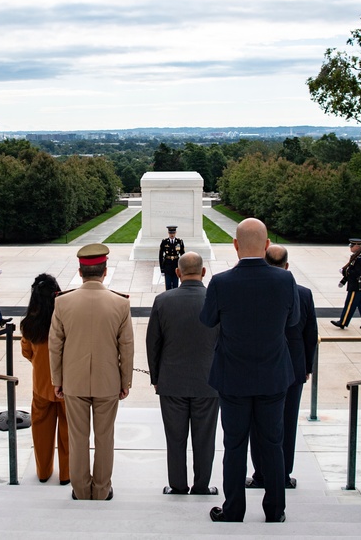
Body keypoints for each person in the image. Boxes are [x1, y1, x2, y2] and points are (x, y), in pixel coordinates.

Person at [199, 218, 299, 524]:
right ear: (267, 246)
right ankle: (275, 510)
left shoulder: (222, 282)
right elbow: (293, 321)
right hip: (272, 376)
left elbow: (207, 320)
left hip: (234, 377)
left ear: (235, 245)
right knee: (273, 444)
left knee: (235, 445)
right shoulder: (285, 281)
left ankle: (234, 510)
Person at [49, 243, 135, 501]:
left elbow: (55, 345)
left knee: (78, 439)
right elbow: (126, 347)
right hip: (108, 381)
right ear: (105, 271)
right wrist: (125, 381)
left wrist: (57, 380)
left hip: (73, 382)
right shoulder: (120, 304)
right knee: (105, 437)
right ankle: (100, 490)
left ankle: (81, 490)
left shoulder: (62, 302)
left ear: (80, 271)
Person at [146, 251, 219, 496]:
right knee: (205, 439)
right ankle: (201, 486)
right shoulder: (216, 300)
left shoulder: (163, 300)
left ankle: (177, 485)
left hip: (172, 381)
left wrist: (156, 378)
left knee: (175, 439)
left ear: (177, 273)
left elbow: (153, 343)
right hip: (209, 381)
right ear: (203, 272)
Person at [247, 244, 318, 491]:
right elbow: (311, 335)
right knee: (287, 423)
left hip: (262, 366)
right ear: (287, 266)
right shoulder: (304, 293)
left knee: (258, 423)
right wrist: (307, 366)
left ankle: (261, 474)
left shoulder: (256, 291)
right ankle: (284, 475)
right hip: (293, 367)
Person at [20, 273, 70, 486]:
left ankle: (43, 471)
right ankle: (66, 474)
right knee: (68, 432)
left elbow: (26, 352)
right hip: (67, 385)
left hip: (41, 384)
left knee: (41, 431)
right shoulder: (66, 319)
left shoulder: (29, 323)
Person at [332, 237, 361, 330]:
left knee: (349, 304)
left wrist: (344, 272)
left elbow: (355, 273)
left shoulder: (359, 258)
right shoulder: (356, 256)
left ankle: (343, 322)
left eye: (352, 245)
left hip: (356, 285)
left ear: (357, 246)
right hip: (356, 285)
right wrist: (343, 280)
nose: (350, 247)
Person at [158, 225, 185, 290]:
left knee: (175, 285)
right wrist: (162, 269)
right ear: (168, 233)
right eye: (170, 233)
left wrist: (183, 267)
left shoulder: (179, 242)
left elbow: (183, 255)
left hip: (176, 265)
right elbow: (161, 256)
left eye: (173, 233)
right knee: (168, 285)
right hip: (167, 265)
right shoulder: (164, 242)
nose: (172, 235)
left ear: (175, 233)